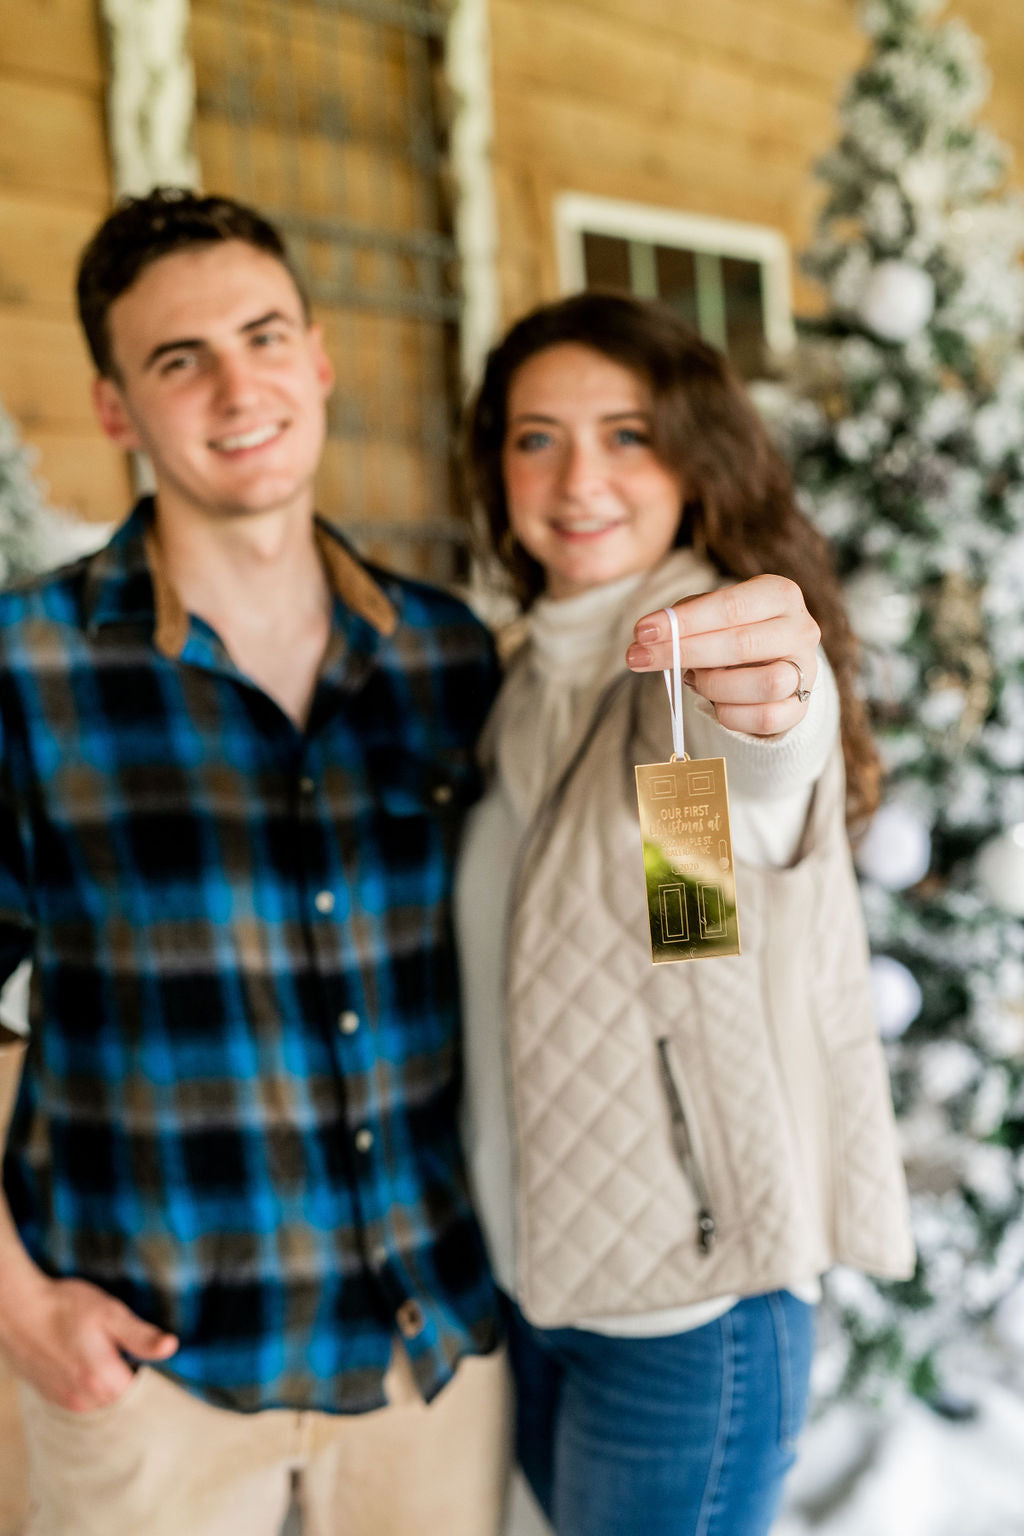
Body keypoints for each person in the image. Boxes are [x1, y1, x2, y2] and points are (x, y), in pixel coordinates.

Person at [0, 188, 510, 1536]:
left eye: (264, 335)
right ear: (116, 408)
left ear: (320, 357)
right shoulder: (25, 666)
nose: (239, 385)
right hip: (146, 1362)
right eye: (180, 359)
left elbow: (659, 900)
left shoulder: (447, 654)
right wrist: (16, 1303)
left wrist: (754, 739)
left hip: (427, 1357)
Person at [457, 291, 914, 1536]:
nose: (578, 475)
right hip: (531, 1289)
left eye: (627, 433)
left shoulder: (682, 673)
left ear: (692, 457)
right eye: (536, 436)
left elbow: (702, 893)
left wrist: (763, 715)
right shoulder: (507, 682)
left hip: (682, 1317)